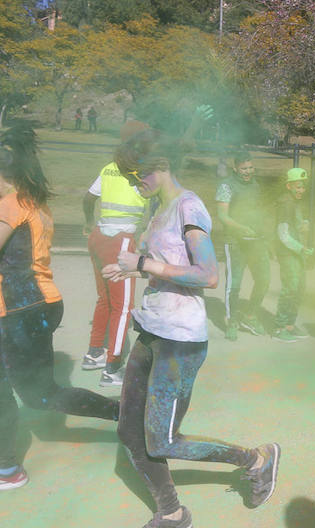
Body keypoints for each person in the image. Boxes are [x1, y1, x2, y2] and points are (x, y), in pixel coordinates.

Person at [104, 128, 280, 527]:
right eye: (131, 176)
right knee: (130, 432)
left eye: (140, 175)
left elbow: (208, 275)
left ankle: (256, 458)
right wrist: (128, 267)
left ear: (161, 167)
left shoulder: (189, 207)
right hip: (151, 330)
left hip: (180, 340)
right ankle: (172, 513)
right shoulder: (158, 211)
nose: (137, 182)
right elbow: (159, 264)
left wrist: (144, 265)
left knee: (165, 439)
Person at [0, 125, 119, 491]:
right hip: (38, 306)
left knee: (7, 389)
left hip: (18, 313)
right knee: (42, 394)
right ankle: (127, 412)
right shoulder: (29, 199)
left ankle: (6, 468)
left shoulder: (10, 203)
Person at [81, 120, 151, 387]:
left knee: (104, 299)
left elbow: (88, 198)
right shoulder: (140, 172)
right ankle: (112, 368)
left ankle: (95, 352)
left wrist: (89, 222)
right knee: (123, 308)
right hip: (121, 240)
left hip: (99, 236)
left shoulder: (110, 168)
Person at [216, 151, 270, 340]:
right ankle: (232, 321)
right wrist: (241, 228)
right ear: (235, 168)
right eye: (244, 168)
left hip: (256, 241)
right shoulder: (226, 186)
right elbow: (222, 216)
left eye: (251, 167)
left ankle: (250, 315)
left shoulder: (255, 186)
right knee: (234, 284)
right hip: (235, 242)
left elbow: (256, 211)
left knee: (264, 279)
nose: (248, 171)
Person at [272, 167, 313, 343]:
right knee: (290, 288)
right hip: (288, 253)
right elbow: (283, 234)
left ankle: (289, 324)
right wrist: (301, 248)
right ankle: (279, 327)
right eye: (298, 186)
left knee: (299, 288)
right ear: (289, 186)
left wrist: (303, 224)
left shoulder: (294, 202)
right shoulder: (285, 204)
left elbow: (293, 227)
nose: (301, 190)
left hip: (296, 252)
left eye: (303, 187)